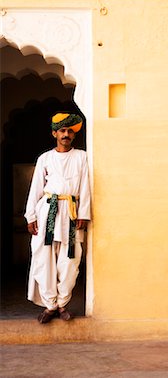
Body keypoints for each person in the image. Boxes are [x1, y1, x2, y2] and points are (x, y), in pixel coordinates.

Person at [25, 113, 91, 323]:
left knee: (70, 260)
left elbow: (85, 187)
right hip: (47, 212)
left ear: (74, 135)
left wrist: (83, 214)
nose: (66, 134)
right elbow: (35, 189)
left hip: (71, 212)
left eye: (70, 131)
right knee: (44, 258)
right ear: (54, 133)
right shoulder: (45, 158)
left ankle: (63, 303)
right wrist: (31, 216)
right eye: (62, 131)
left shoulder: (81, 157)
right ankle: (50, 305)